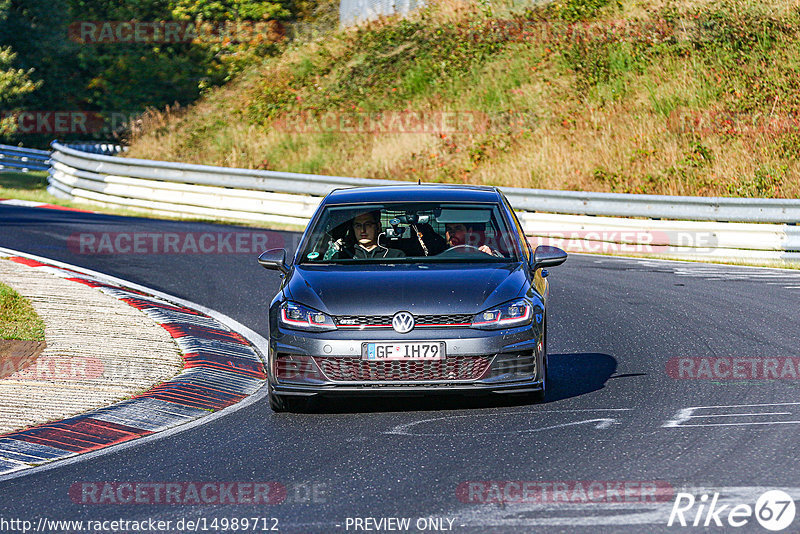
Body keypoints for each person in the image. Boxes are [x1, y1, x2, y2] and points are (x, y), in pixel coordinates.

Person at [337, 211, 405, 259]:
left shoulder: (395, 255)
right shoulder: (343, 256)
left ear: (378, 227)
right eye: (358, 225)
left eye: (368, 225)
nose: (362, 230)